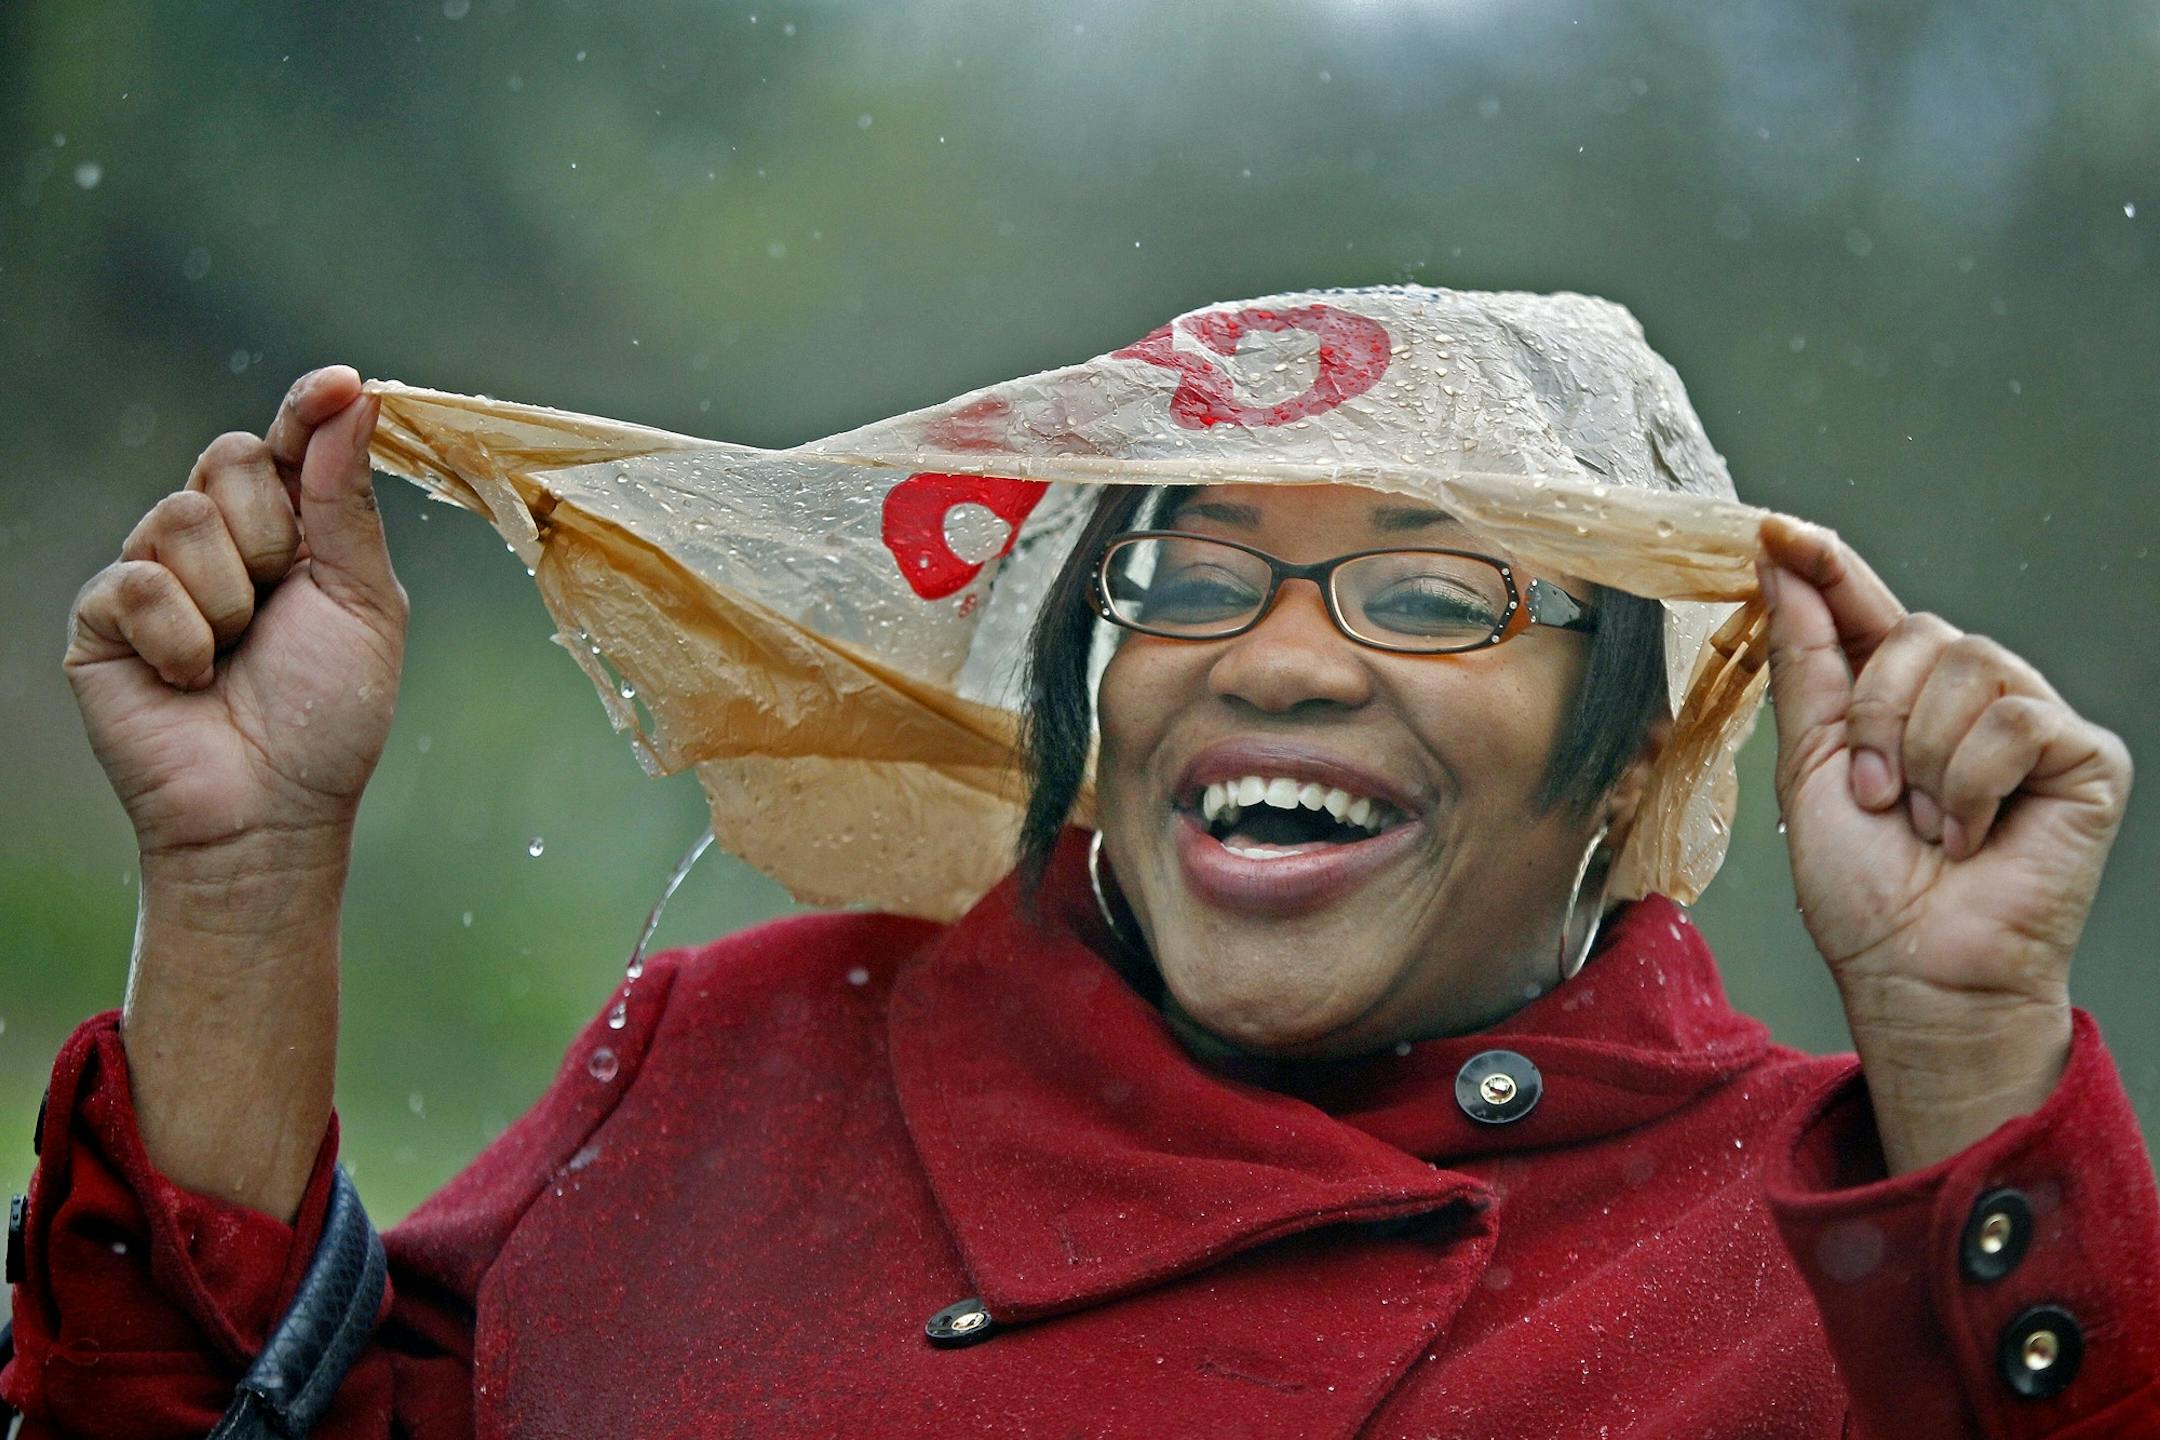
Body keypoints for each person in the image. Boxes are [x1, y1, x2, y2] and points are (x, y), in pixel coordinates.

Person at [5, 325, 2154, 1439]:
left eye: (1434, 593)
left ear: (1629, 746)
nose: (1282, 655)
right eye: (1189, 574)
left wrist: (1970, 1054)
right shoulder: (751, 1059)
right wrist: (245, 870)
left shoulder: (1835, 1237)